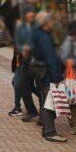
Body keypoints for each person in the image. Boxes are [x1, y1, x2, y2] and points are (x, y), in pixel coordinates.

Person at [31, 11, 67, 143]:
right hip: (47, 73)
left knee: (45, 100)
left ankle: (46, 128)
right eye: (51, 21)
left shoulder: (36, 34)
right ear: (45, 23)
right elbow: (50, 58)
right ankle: (50, 131)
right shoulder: (45, 37)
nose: (53, 23)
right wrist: (57, 77)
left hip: (40, 72)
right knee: (50, 102)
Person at [17, 7, 39, 122]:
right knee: (22, 85)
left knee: (41, 87)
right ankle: (31, 111)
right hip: (26, 60)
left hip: (39, 61)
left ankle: (46, 115)